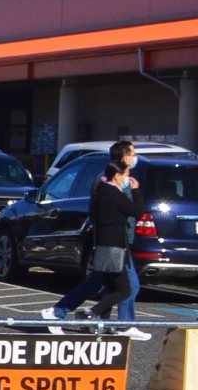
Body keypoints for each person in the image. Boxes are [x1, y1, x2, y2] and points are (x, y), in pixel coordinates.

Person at [49, 140, 151, 339]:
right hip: (112, 242)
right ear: (124, 158)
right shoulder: (109, 181)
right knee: (128, 286)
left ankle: (62, 312)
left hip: (120, 241)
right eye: (133, 153)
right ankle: (124, 325)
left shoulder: (125, 179)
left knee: (98, 283)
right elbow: (107, 212)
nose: (136, 156)